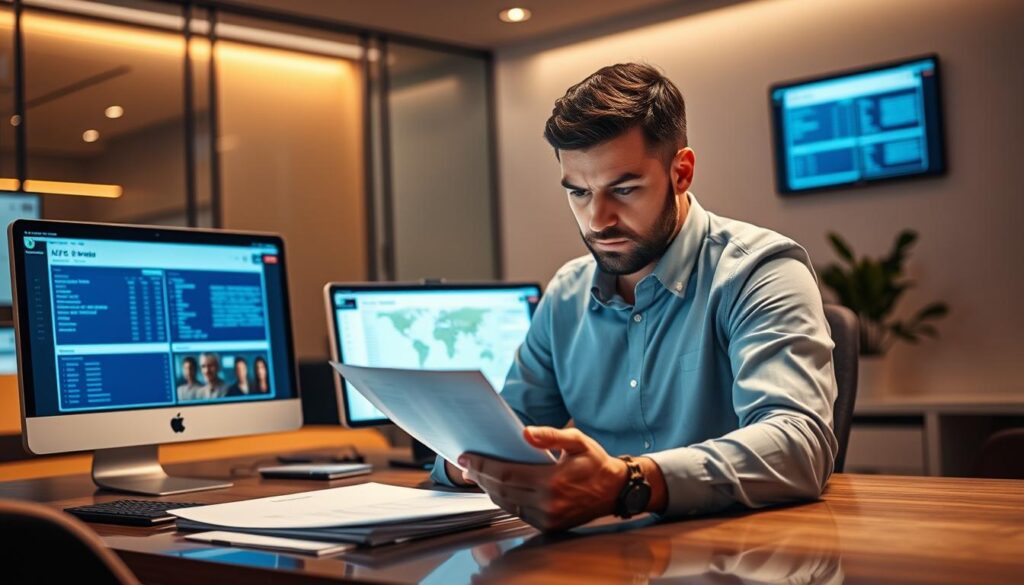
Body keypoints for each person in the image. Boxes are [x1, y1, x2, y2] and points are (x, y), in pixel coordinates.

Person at [434, 63, 838, 532]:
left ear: (681, 172)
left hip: (735, 552)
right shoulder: (566, 293)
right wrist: (471, 462)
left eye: (623, 190)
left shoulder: (760, 272)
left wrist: (630, 483)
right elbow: (510, 431)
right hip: (596, 555)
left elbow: (798, 447)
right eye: (579, 193)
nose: (597, 220)